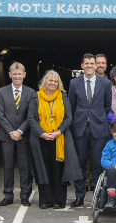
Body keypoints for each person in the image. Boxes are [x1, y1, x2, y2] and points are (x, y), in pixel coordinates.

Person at [29, 70, 81, 209]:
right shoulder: (36, 96)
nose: (52, 83)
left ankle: (59, 200)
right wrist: (42, 133)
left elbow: (68, 117)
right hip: (41, 139)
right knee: (43, 169)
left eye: (55, 81)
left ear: (59, 83)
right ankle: (45, 200)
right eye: (50, 80)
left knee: (57, 170)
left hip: (59, 139)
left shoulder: (63, 96)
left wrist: (59, 132)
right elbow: (31, 118)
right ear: (44, 81)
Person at [68, 53, 113, 207]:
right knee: (80, 162)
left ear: (96, 65)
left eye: (92, 63)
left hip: (98, 128)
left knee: (98, 163)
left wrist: (97, 117)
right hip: (80, 128)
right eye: (86, 63)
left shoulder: (105, 83)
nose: (89, 65)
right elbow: (71, 106)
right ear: (82, 66)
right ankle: (79, 196)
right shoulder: (74, 83)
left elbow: (107, 105)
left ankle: (98, 195)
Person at [0, 62, 35, 206]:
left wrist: (20, 131)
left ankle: (25, 195)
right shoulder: (1, 91)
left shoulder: (31, 93)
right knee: (8, 166)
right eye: (14, 74)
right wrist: (11, 131)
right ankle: (8, 195)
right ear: (9, 75)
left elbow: (31, 115)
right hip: (7, 136)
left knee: (25, 167)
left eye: (20, 74)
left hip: (24, 136)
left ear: (24, 75)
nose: (17, 76)